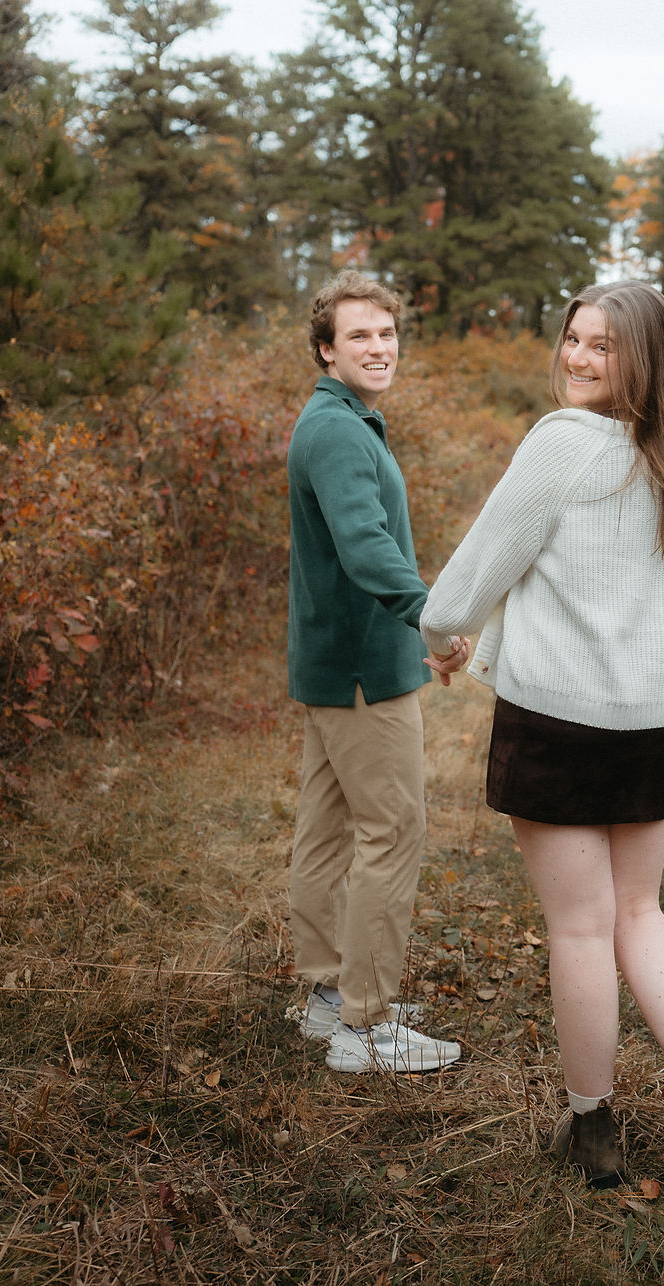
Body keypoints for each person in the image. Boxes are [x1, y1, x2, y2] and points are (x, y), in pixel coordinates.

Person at [420, 280, 664, 1214]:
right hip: (652, 722)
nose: (576, 357)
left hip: (558, 721)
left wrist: (443, 633)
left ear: (640, 359)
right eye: (572, 338)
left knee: (581, 926)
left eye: (602, 346)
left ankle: (593, 1126)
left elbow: (475, 570)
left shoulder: (560, 446)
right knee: (641, 912)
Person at [286, 268, 468, 1074]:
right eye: (359, 334)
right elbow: (366, 549)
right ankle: (364, 1026)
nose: (378, 346)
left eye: (387, 332)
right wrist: (435, 622)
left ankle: (329, 997)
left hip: (337, 665)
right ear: (326, 350)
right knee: (392, 833)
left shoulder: (343, 421)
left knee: (325, 834)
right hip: (364, 670)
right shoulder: (336, 431)